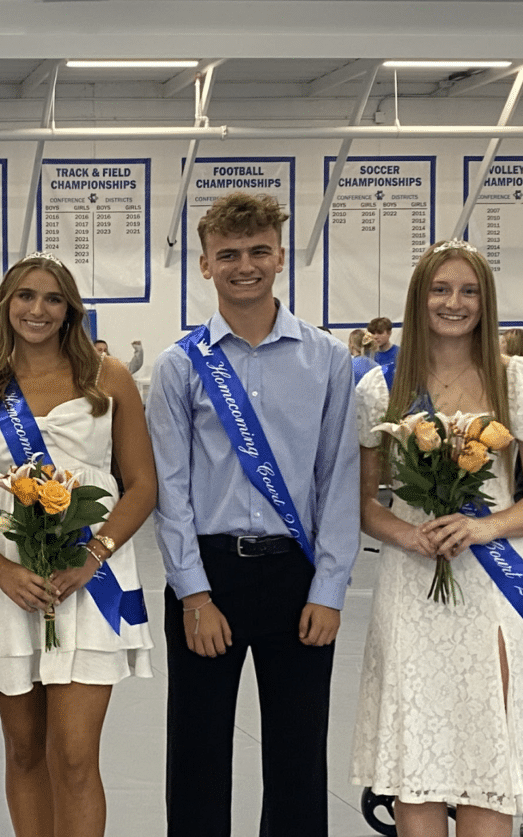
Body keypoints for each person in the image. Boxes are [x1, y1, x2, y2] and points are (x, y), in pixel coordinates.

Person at [149, 192, 360, 836]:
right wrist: (193, 595)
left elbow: (339, 481)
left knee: (299, 755)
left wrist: (329, 589)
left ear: (281, 256)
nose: (246, 265)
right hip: (210, 576)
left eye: (259, 251)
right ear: (206, 265)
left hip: (297, 574)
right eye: (229, 254)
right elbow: (171, 491)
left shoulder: (327, 358)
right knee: (198, 751)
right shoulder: (180, 365)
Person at [350, 240, 523, 836]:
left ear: (486, 301)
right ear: (419, 300)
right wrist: (408, 533)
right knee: (415, 761)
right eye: (440, 290)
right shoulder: (379, 388)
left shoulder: (517, 379)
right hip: (412, 580)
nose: (454, 302)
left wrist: (484, 526)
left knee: (486, 758)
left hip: (493, 582)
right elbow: (364, 502)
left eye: (469, 291)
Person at [0, 254, 157, 837]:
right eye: (25, 296)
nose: (38, 309)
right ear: (6, 306)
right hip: (6, 587)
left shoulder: (109, 379)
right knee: (26, 751)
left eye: (53, 298)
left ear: (70, 310)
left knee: (76, 758)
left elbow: (141, 486)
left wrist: (92, 556)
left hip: (90, 582)